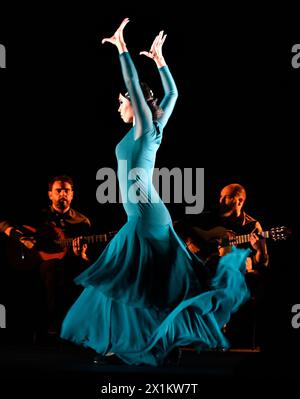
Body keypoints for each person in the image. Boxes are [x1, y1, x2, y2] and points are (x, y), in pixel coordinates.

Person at [60, 18, 250, 366]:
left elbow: (134, 83)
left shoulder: (145, 130)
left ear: (136, 104)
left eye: (122, 101)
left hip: (146, 216)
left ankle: (132, 343)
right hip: (146, 214)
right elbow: (174, 94)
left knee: (125, 278)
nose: (119, 106)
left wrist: (122, 48)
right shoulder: (151, 129)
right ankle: (134, 343)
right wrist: (160, 58)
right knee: (139, 282)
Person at [175, 183, 269, 348]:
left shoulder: (252, 227)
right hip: (205, 269)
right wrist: (192, 243)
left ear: (239, 201)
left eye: (225, 197)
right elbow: (178, 226)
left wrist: (260, 249)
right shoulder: (209, 218)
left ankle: (218, 332)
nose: (220, 200)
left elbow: (263, 263)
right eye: (220, 196)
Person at [2, 175, 93, 337]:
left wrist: (81, 254)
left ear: (72, 194)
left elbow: (84, 256)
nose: (63, 194)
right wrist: (21, 238)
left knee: (57, 269)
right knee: (52, 268)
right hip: (32, 260)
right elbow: (3, 224)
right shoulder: (36, 215)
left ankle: (65, 327)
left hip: (67, 264)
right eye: (59, 190)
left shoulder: (82, 222)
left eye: (67, 191)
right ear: (50, 194)